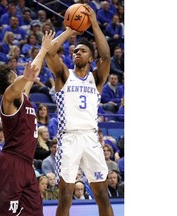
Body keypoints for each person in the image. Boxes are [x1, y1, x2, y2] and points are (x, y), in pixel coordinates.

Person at [45, 4, 114, 216]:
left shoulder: (96, 78)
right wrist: (69, 30)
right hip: (68, 140)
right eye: (75, 51)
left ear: (90, 58)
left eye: (82, 51)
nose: (77, 52)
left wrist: (93, 22)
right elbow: (50, 53)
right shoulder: (65, 75)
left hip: (91, 138)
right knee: (65, 197)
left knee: (102, 195)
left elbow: (106, 57)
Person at [0, 30, 55, 216]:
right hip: (10, 163)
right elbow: (14, 87)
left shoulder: (22, 96)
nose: (20, 76)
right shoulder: (8, 100)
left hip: (27, 165)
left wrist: (43, 49)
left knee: (35, 212)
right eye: (15, 75)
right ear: (10, 81)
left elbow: (33, 68)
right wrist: (25, 78)